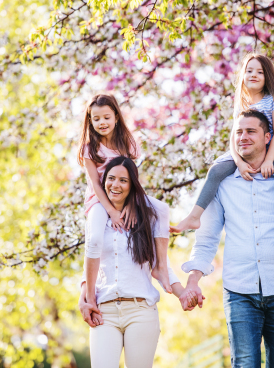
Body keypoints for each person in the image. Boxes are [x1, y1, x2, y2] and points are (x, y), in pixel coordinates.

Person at [179, 110, 274, 367]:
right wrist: (193, 279)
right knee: (244, 363)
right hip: (239, 290)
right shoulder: (223, 183)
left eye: (251, 131)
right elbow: (206, 239)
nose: (243, 137)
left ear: (268, 137)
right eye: (239, 132)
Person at [78, 156, 197, 368]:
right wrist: (84, 298)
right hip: (104, 312)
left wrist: (183, 293)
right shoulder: (96, 217)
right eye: (111, 178)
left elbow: (162, 266)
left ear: (132, 185)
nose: (115, 185)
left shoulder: (144, 219)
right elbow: (92, 263)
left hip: (140, 311)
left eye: (123, 180)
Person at [171, 53, 274, 234]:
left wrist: (268, 160)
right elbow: (234, 136)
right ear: (243, 75)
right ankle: (194, 217)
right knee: (216, 171)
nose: (254, 75)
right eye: (249, 71)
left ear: (268, 77)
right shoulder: (241, 103)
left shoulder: (273, 101)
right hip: (249, 148)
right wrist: (239, 162)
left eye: (260, 72)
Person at [78, 93, 172, 292]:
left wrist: (131, 204)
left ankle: (161, 266)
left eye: (106, 117)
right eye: (96, 119)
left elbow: (132, 178)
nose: (102, 122)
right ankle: (90, 290)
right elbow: (95, 184)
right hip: (99, 199)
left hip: (127, 196)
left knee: (162, 209)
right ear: (90, 121)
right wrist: (111, 211)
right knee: (94, 238)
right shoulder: (89, 149)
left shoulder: (127, 144)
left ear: (116, 117)